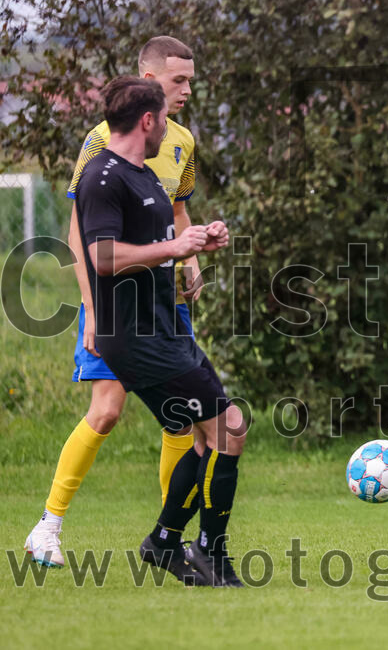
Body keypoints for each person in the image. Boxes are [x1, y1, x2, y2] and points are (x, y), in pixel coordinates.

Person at [25, 36, 200, 568]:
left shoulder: (182, 142)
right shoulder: (102, 142)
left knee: (181, 420)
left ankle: (168, 538)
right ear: (148, 80)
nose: (187, 90)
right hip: (114, 305)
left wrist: (190, 260)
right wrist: (91, 312)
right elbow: (81, 235)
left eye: (190, 80)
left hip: (163, 304)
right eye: (178, 80)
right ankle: (47, 528)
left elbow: (179, 211)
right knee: (106, 412)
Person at [74, 76, 245, 586]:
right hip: (137, 340)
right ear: (148, 120)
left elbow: (161, 244)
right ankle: (208, 550)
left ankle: (166, 542)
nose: (168, 129)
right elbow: (102, 256)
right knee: (229, 430)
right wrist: (172, 250)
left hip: (166, 330)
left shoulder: (145, 176)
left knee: (206, 439)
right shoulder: (102, 178)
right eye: (164, 120)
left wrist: (196, 242)